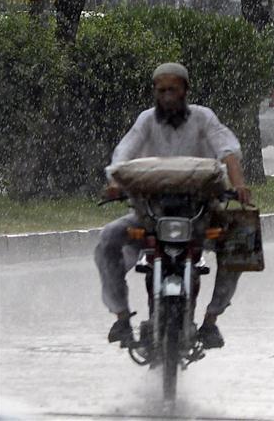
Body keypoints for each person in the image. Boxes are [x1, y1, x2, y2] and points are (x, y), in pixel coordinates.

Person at [95, 62, 252, 349]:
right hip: (149, 215)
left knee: (242, 238)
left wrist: (238, 184)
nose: (167, 96)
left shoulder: (204, 118)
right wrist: (116, 182)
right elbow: (123, 153)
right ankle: (120, 317)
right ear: (155, 92)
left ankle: (211, 321)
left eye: (173, 90)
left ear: (185, 91)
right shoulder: (145, 121)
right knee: (107, 239)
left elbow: (227, 151)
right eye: (161, 90)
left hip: (201, 215)